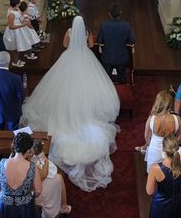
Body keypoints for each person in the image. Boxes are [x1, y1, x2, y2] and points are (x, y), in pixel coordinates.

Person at [21, 16, 120, 191]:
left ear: (73, 25)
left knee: (64, 89)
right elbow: (90, 46)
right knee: (87, 89)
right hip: (85, 60)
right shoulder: (87, 33)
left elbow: (65, 45)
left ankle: (68, 112)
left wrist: (73, 45)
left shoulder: (69, 32)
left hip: (69, 60)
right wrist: (83, 44)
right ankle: (86, 113)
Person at [0, 132, 42, 217]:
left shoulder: (2, 162)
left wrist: (5, 190)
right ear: (29, 149)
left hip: (5, 205)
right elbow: (38, 191)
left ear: (14, 146)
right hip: (24, 207)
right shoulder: (32, 166)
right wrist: (27, 195)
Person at [146, 136, 181, 217]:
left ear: (163, 149)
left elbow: (149, 191)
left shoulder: (155, 168)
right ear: (178, 149)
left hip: (161, 206)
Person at [141, 90, 181, 172]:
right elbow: (179, 136)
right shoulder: (177, 119)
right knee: (170, 173)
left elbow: (146, 136)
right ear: (170, 104)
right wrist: (173, 146)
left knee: (153, 173)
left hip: (155, 149)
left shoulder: (152, 118)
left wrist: (149, 144)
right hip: (171, 149)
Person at [31, 138, 72, 218]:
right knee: (58, 178)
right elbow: (43, 175)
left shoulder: (7, 162)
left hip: (26, 191)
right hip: (32, 195)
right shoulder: (31, 164)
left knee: (57, 178)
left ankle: (62, 206)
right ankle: (63, 206)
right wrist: (44, 159)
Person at [97, 3, 136, 84]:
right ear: (120, 12)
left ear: (109, 13)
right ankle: (122, 91)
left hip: (107, 57)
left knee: (106, 79)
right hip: (122, 58)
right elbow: (132, 40)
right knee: (122, 77)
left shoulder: (104, 25)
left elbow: (99, 40)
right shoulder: (126, 25)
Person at [3, 0, 42, 65]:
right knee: (15, 47)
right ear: (17, 4)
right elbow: (11, 26)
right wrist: (23, 25)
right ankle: (15, 62)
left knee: (24, 43)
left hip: (20, 29)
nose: (21, 3)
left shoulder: (17, 9)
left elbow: (20, 17)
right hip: (14, 32)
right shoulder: (11, 14)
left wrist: (24, 20)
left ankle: (25, 55)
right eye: (20, 2)